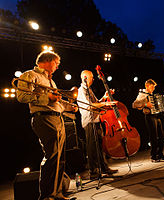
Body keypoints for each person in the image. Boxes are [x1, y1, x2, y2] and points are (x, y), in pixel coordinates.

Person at [16, 51, 77, 200]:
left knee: (60, 158)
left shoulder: (51, 80)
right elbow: (22, 96)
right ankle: (46, 196)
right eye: (56, 63)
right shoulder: (30, 75)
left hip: (57, 118)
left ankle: (57, 193)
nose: (57, 67)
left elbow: (55, 102)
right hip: (43, 119)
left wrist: (69, 107)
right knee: (51, 156)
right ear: (48, 61)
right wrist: (46, 97)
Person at [77, 70, 118, 179]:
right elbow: (89, 106)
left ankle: (104, 168)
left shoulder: (89, 90)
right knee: (92, 148)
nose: (93, 79)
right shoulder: (81, 91)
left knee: (100, 146)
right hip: (89, 121)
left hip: (96, 120)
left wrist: (104, 97)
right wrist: (105, 103)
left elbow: (97, 103)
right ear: (85, 78)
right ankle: (94, 172)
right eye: (92, 77)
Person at [132, 79, 164, 162]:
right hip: (149, 116)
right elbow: (134, 104)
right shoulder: (142, 94)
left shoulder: (152, 95)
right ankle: (153, 155)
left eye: (154, 87)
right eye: (152, 87)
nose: (153, 89)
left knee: (161, 135)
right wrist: (146, 104)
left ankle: (160, 153)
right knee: (153, 136)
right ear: (147, 86)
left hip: (157, 115)